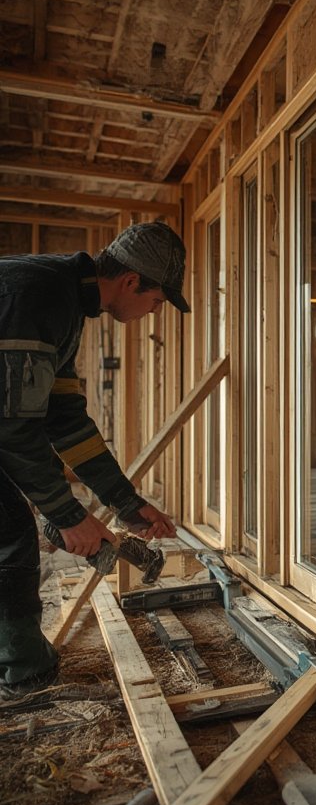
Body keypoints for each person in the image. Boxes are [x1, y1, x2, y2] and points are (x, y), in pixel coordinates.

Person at [0, 221, 191, 698]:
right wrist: (68, 516)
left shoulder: (63, 303)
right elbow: (13, 428)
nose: (154, 312)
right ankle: (24, 677)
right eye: (156, 301)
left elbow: (65, 421)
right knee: (10, 534)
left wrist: (126, 503)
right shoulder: (39, 296)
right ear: (131, 281)